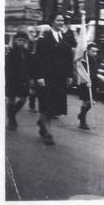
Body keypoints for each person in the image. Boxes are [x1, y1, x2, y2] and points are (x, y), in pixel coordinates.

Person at [35, 12, 74, 145]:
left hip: (59, 78)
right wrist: (39, 76)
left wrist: (69, 75)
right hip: (46, 76)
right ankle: (48, 133)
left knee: (54, 106)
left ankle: (42, 123)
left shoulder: (65, 38)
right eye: (58, 20)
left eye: (62, 20)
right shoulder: (43, 38)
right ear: (52, 22)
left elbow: (69, 59)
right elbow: (38, 58)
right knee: (47, 105)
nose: (61, 22)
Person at [5, 31, 30, 131]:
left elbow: (30, 66)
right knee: (11, 99)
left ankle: (11, 114)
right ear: (15, 40)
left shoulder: (27, 52)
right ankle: (11, 119)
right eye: (20, 40)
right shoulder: (11, 53)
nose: (22, 42)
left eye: (24, 41)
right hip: (12, 80)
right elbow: (8, 68)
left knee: (23, 99)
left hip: (23, 80)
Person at [77, 43, 99, 130]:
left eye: (96, 51)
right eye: (92, 51)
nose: (95, 53)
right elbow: (81, 72)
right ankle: (82, 122)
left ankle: (81, 115)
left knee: (92, 102)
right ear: (88, 50)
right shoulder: (84, 60)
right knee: (86, 101)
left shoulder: (94, 59)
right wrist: (86, 81)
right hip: (85, 83)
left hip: (93, 83)